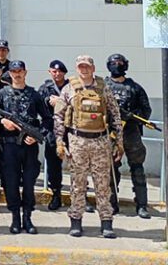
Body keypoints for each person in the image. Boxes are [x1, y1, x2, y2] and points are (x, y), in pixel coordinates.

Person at [53, 55, 123, 239]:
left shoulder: (103, 88)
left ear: (93, 68)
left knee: (103, 185)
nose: (84, 70)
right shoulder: (69, 88)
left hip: (100, 141)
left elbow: (115, 114)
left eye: (87, 66)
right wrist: (59, 141)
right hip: (77, 141)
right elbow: (58, 116)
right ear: (77, 68)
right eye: (80, 67)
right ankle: (76, 221)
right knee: (77, 184)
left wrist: (119, 142)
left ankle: (106, 222)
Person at [0, 60, 52, 234]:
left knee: (28, 182)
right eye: (14, 71)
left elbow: (47, 120)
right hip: (9, 146)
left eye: (20, 71)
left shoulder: (34, 95)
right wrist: (2, 121)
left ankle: (27, 217)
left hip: (29, 147)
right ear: (9, 73)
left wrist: (37, 135)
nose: (17, 74)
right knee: (10, 182)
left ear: (25, 72)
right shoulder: (2, 94)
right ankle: (15, 218)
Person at [105, 52, 152, 219]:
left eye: (120, 63)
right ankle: (111, 204)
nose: (116, 66)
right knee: (110, 170)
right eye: (113, 63)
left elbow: (146, 111)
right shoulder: (103, 87)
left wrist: (131, 116)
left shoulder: (135, 88)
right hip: (110, 133)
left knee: (137, 169)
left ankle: (142, 205)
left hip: (131, 133)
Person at [37, 59, 69, 211]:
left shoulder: (72, 87)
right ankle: (56, 194)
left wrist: (61, 102)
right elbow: (38, 107)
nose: (57, 74)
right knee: (53, 165)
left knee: (77, 164)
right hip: (52, 130)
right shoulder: (45, 88)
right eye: (54, 71)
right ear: (49, 72)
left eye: (60, 71)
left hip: (71, 129)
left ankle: (80, 196)